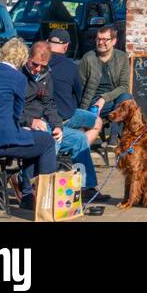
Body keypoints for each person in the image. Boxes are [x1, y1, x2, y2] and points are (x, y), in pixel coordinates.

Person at [0, 37, 56, 205]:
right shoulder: (18, 78)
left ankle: (28, 197)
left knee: (31, 139)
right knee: (46, 142)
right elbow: (16, 115)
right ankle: (46, 201)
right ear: (22, 60)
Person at [24, 42, 102, 203]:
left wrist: (58, 126)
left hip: (46, 121)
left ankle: (85, 187)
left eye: (42, 66)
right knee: (50, 142)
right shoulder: (19, 77)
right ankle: (35, 188)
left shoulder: (46, 75)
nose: (38, 69)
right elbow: (12, 107)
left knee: (79, 139)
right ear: (28, 58)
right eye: (35, 64)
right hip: (26, 124)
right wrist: (30, 120)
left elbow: (50, 104)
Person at [79, 27, 133, 141]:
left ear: (113, 41)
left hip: (113, 100)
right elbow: (80, 86)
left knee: (126, 98)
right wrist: (81, 112)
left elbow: (125, 86)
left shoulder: (122, 57)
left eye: (105, 39)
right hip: (93, 102)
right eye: (98, 39)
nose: (101, 42)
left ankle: (113, 136)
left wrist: (104, 98)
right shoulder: (88, 58)